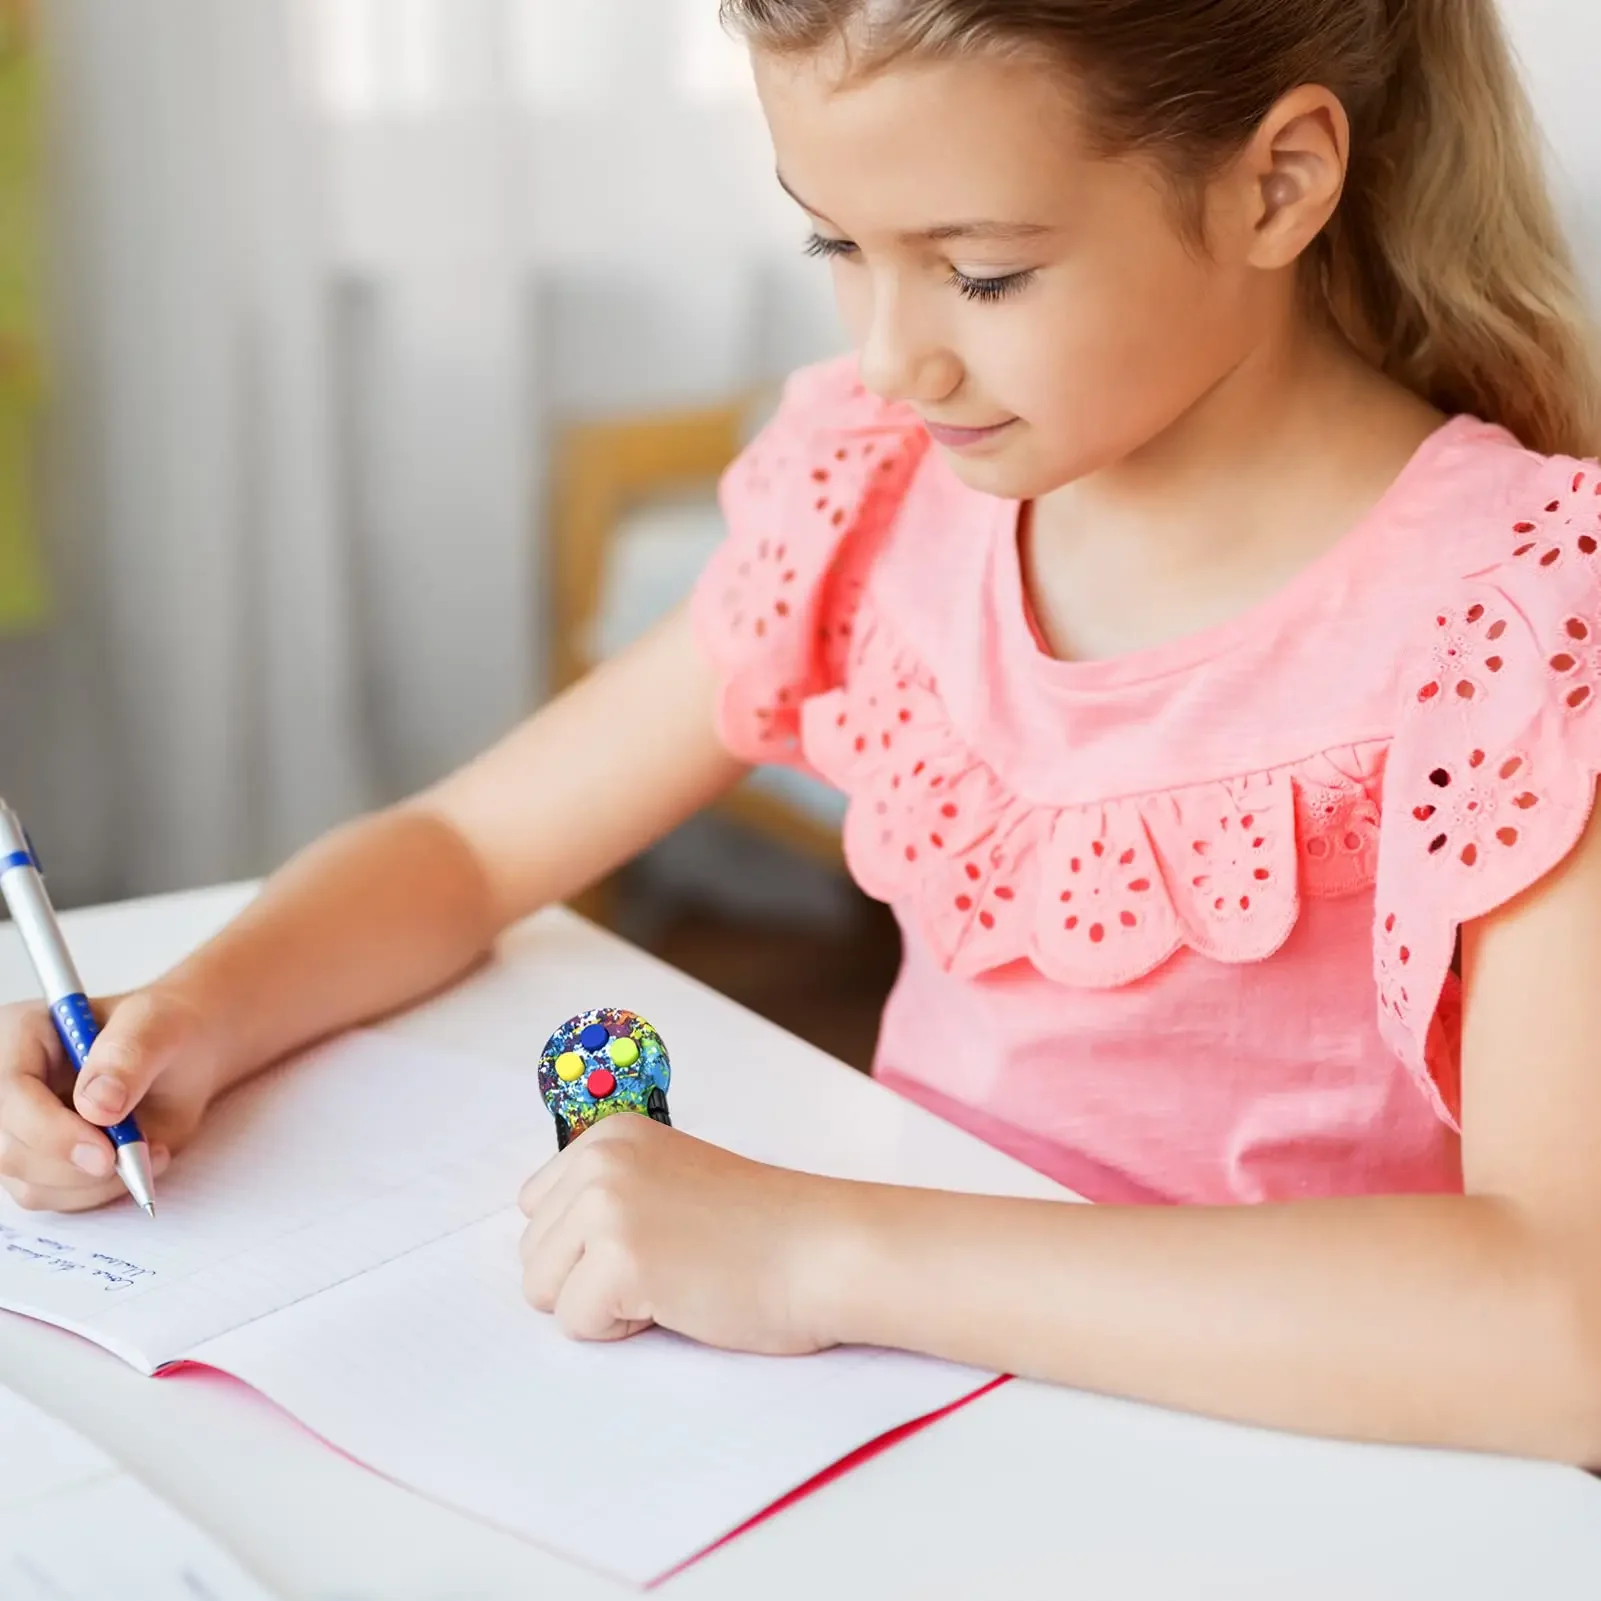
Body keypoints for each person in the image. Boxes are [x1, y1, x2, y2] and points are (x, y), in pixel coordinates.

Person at [7, 0, 1601, 1463]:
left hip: (1306, 1469)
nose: (891, 355)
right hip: (913, 1414)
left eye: (982, 270)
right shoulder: (887, 488)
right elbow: (474, 844)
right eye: (836, 242)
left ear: (1277, 185)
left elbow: (1558, 1327)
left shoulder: (1521, 612)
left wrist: (817, 1247)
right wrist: (200, 1013)